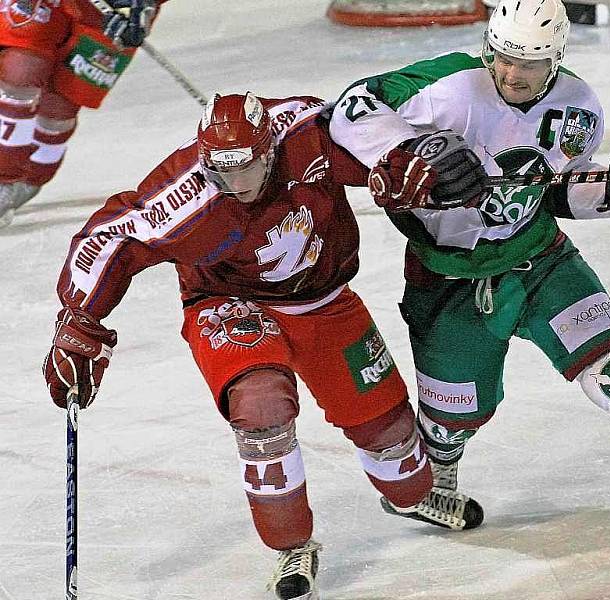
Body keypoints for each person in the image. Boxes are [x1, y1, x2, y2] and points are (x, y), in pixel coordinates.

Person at [329, 0, 610, 551]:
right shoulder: (449, 86)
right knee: (453, 415)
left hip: (542, 262)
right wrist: (412, 149)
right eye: (503, 58)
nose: (512, 75)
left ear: (557, 58)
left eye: (529, 64)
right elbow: (349, 108)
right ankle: (437, 482)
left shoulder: (579, 109)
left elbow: (560, 193)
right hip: (448, 279)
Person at [42, 92, 448, 600]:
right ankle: (290, 544)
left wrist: (405, 162)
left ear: (270, 150)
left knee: (394, 450)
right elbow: (112, 235)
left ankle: (405, 496)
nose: (235, 185)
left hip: (325, 299)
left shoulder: (304, 133)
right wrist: (79, 318)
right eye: (221, 172)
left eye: (245, 169)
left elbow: (367, 123)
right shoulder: (188, 198)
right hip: (229, 302)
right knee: (260, 407)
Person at [0, 0, 165, 228]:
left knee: (60, 106)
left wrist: (143, 6)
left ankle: (34, 176)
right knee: (21, 69)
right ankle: (4, 180)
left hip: (108, 14)